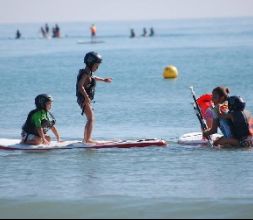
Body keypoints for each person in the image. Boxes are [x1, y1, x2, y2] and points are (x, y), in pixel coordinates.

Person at [76, 52, 112, 144]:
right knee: (91, 119)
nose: (97, 67)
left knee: (90, 118)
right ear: (90, 63)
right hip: (84, 99)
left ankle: (86, 139)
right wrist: (86, 97)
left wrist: (103, 80)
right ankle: (88, 139)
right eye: (96, 65)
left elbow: (93, 77)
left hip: (84, 99)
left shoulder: (88, 73)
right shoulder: (85, 74)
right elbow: (80, 86)